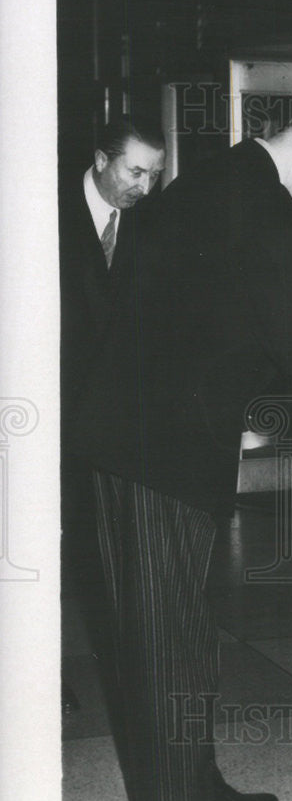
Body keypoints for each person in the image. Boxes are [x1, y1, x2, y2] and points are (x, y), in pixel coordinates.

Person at [67, 100, 292, 801]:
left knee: (154, 630)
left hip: (128, 440)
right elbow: (291, 339)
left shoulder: (218, 178)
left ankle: (184, 784)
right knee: (170, 635)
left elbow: (201, 315)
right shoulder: (262, 203)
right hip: (162, 451)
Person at [60, 116, 167, 715]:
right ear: (101, 159)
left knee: (92, 545)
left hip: (104, 420)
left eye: (155, 174)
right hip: (38, 412)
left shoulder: (148, 223)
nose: (146, 187)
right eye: (135, 171)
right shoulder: (40, 210)